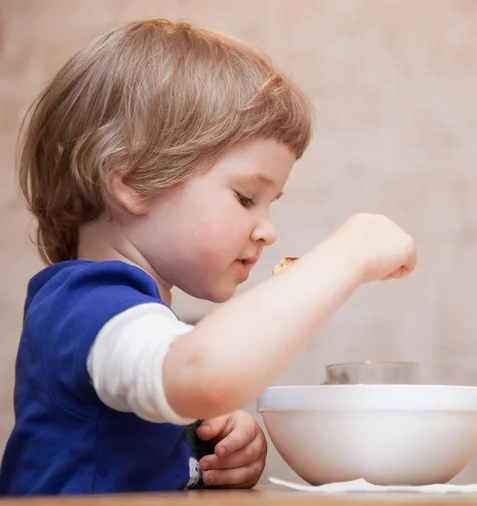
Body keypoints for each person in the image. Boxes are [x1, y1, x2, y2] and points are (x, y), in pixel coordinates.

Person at [0, 18, 417, 496]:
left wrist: (211, 448)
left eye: (270, 204)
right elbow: (204, 374)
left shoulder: (139, 319)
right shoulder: (83, 304)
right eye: (245, 198)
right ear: (133, 182)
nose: (269, 231)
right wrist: (349, 254)